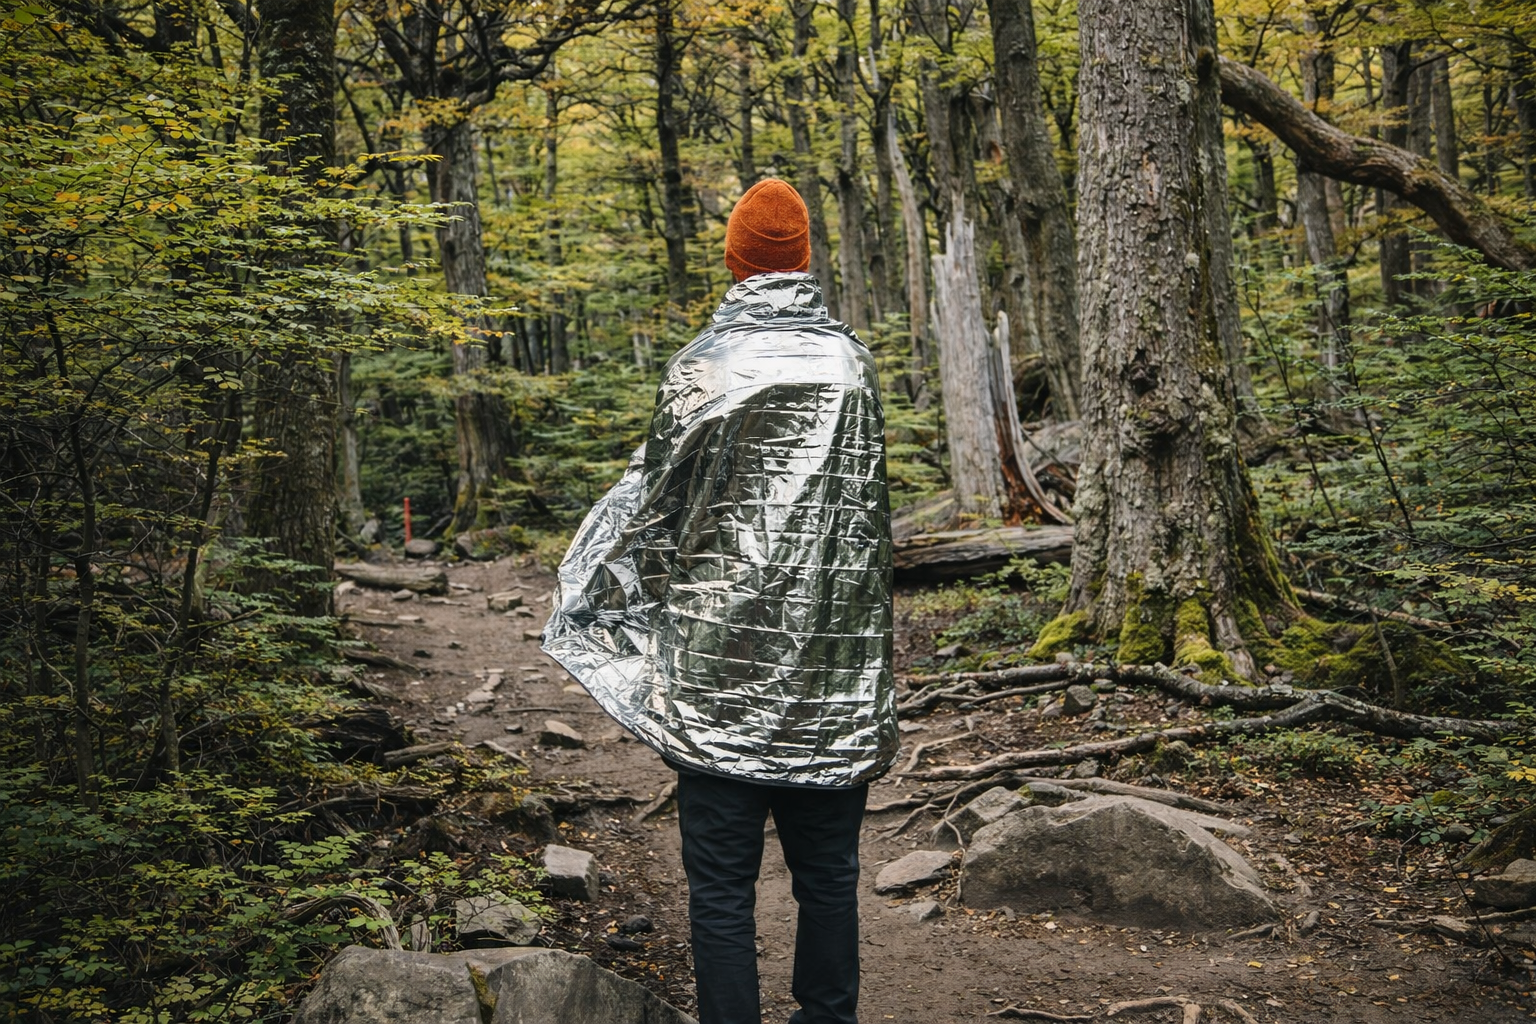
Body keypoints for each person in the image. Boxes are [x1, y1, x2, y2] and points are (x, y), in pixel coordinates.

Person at [543, 177, 898, 1024]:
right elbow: (867, 522)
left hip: (714, 672)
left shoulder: (703, 368)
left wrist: (592, 595)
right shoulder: (853, 366)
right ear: (803, 259)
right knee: (829, 882)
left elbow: (652, 505)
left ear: (736, 262)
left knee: (721, 890)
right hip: (832, 671)